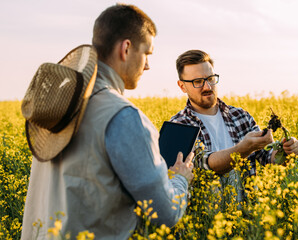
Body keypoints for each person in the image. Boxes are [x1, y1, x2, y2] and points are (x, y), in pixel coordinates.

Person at [21, 4, 193, 239]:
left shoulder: (61, 106)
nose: (147, 65)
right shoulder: (124, 116)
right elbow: (165, 213)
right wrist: (180, 179)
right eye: (147, 53)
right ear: (126, 48)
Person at [170, 49, 298, 199]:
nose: (207, 87)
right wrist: (243, 149)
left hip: (247, 218)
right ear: (182, 86)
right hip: (206, 220)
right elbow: (205, 163)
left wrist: (287, 151)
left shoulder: (240, 116)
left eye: (211, 79)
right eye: (197, 82)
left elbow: (268, 157)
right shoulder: (178, 126)